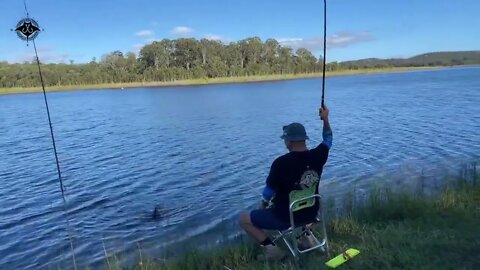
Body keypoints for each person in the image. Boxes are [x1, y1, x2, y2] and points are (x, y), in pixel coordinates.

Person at [239, 105, 332, 260]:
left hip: (285, 218)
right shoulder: (319, 155)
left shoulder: (280, 163)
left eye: (285, 140)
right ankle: (306, 236)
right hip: (311, 213)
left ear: (288, 142)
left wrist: (263, 204)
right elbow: (328, 139)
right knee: (302, 200)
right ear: (304, 139)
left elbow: (268, 192)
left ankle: (273, 250)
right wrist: (326, 118)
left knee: (243, 218)